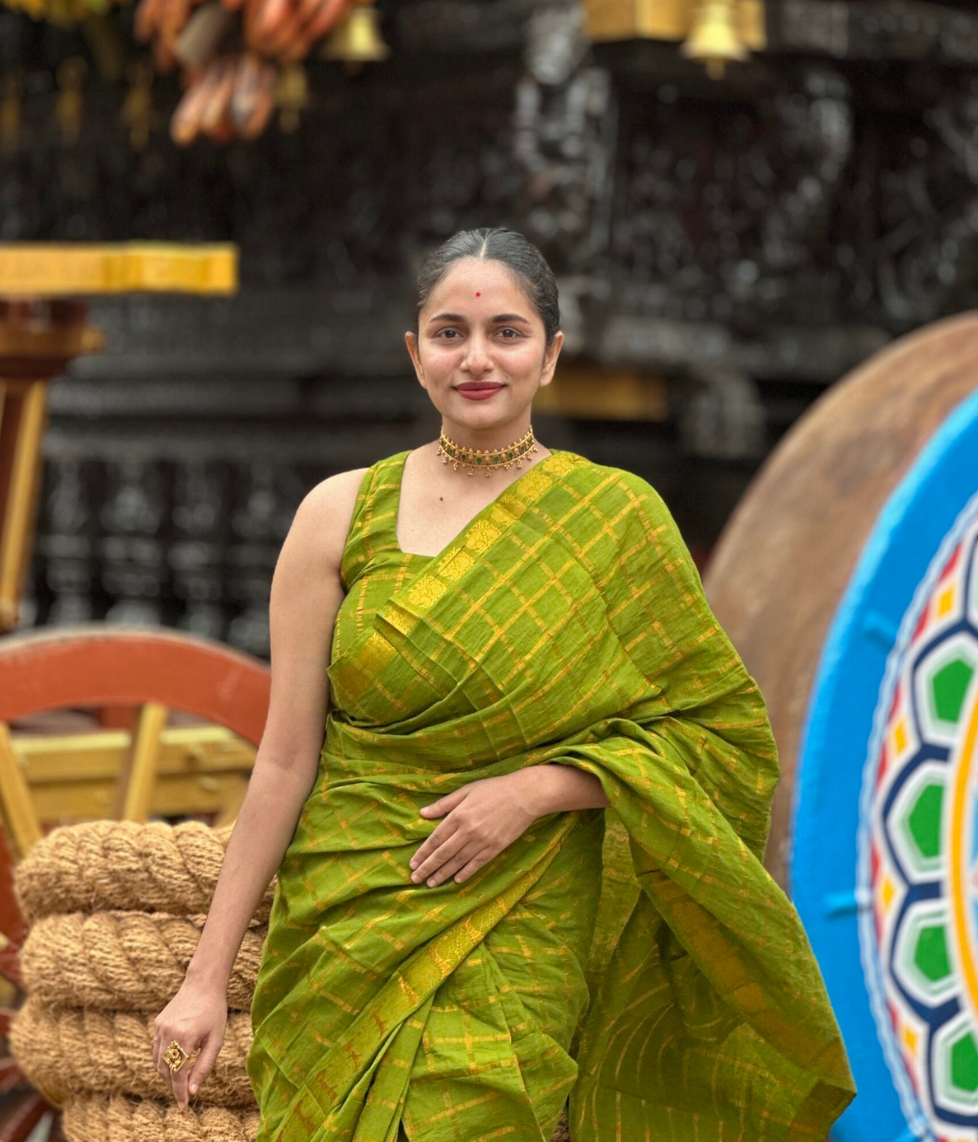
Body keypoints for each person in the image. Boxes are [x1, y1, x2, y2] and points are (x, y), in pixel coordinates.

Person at [151, 227, 857, 1141]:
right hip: (344, 926)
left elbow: (715, 737)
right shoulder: (338, 516)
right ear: (414, 355)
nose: (477, 358)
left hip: (518, 921)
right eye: (449, 333)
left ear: (552, 356)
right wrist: (205, 980)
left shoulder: (616, 521)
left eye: (508, 333)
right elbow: (286, 760)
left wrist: (535, 791)